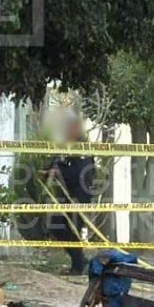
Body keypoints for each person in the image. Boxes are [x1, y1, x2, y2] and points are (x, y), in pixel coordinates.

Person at [46, 114, 97, 275]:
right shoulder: (64, 146)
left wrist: (58, 171)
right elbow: (57, 162)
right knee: (56, 225)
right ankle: (79, 260)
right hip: (65, 195)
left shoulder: (81, 149)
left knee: (72, 229)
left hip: (78, 196)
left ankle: (78, 264)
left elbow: (80, 173)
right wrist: (48, 171)